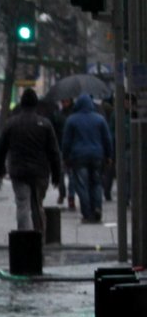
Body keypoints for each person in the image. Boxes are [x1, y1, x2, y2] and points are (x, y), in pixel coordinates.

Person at [0, 87, 61, 236]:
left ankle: (25, 237)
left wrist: (0, 169)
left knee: (22, 204)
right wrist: (57, 174)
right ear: (36, 104)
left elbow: (0, 149)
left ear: (21, 104)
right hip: (40, 172)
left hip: (19, 171)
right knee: (37, 205)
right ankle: (39, 237)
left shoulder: (11, 124)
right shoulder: (44, 124)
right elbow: (54, 152)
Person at [61, 92, 112, 223]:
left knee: (82, 185)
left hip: (78, 157)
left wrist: (65, 157)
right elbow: (107, 139)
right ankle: (97, 207)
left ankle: (87, 212)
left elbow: (66, 142)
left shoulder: (71, 120)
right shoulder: (99, 119)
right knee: (96, 183)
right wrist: (109, 156)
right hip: (97, 156)